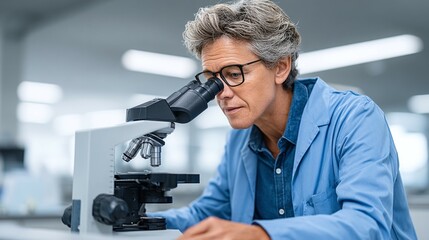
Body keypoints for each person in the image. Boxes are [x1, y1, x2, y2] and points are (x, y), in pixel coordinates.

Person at [149, 0, 418, 239]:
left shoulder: (354, 119)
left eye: (233, 74)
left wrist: (260, 234)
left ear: (280, 67)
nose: (222, 94)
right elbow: (208, 213)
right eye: (212, 80)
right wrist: (142, 222)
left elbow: (367, 226)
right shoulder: (240, 139)